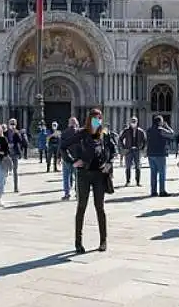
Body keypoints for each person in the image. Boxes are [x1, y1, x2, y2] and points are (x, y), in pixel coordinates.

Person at [60, 108, 116, 254]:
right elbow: (63, 146)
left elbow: (113, 149)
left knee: (100, 208)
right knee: (81, 207)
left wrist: (109, 163)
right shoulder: (82, 133)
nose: (98, 121)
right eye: (95, 118)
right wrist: (72, 161)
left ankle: (103, 241)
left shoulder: (104, 134)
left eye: (100, 118)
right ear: (89, 119)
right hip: (83, 174)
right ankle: (78, 243)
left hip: (99, 175)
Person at [146, 115, 175, 197]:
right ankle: (162, 191)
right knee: (162, 173)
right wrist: (167, 126)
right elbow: (172, 134)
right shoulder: (161, 130)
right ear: (159, 122)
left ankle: (153, 191)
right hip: (160, 154)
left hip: (151, 154)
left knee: (153, 173)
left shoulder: (149, 130)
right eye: (162, 122)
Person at [119, 116, 147, 187]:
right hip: (129, 150)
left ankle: (138, 182)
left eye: (134, 121)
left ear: (137, 122)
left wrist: (142, 149)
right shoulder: (126, 130)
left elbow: (145, 140)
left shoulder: (141, 131)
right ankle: (128, 181)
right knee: (128, 166)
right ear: (130, 122)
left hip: (137, 150)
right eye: (132, 121)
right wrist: (123, 148)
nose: (133, 122)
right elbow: (120, 139)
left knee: (138, 166)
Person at [5, 118, 27, 193]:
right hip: (7, 154)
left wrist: (20, 134)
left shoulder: (17, 132)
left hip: (15, 153)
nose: (12, 125)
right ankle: (2, 186)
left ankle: (16, 187)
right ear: (8, 124)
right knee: (5, 171)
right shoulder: (5, 133)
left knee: (15, 171)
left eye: (13, 124)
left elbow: (22, 142)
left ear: (16, 124)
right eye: (11, 124)